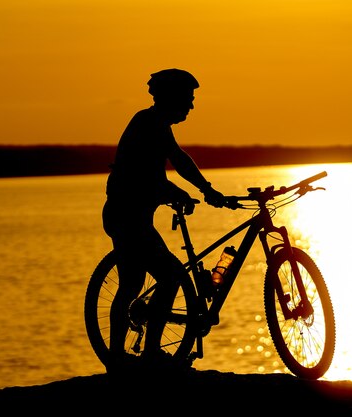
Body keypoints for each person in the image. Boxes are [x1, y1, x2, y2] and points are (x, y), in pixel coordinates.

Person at [102, 68, 226, 373]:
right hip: (126, 217)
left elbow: (179, 159)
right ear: (172, 97)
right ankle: (144, 354)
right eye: (188, 98)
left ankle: (124, 357)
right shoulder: (148, 123)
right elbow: (144, 176)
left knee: (136, 281)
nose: (191, 106)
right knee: (164, 278)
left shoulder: (157, 124)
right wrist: (181, 192)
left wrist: (207, 189)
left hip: (134, 217)